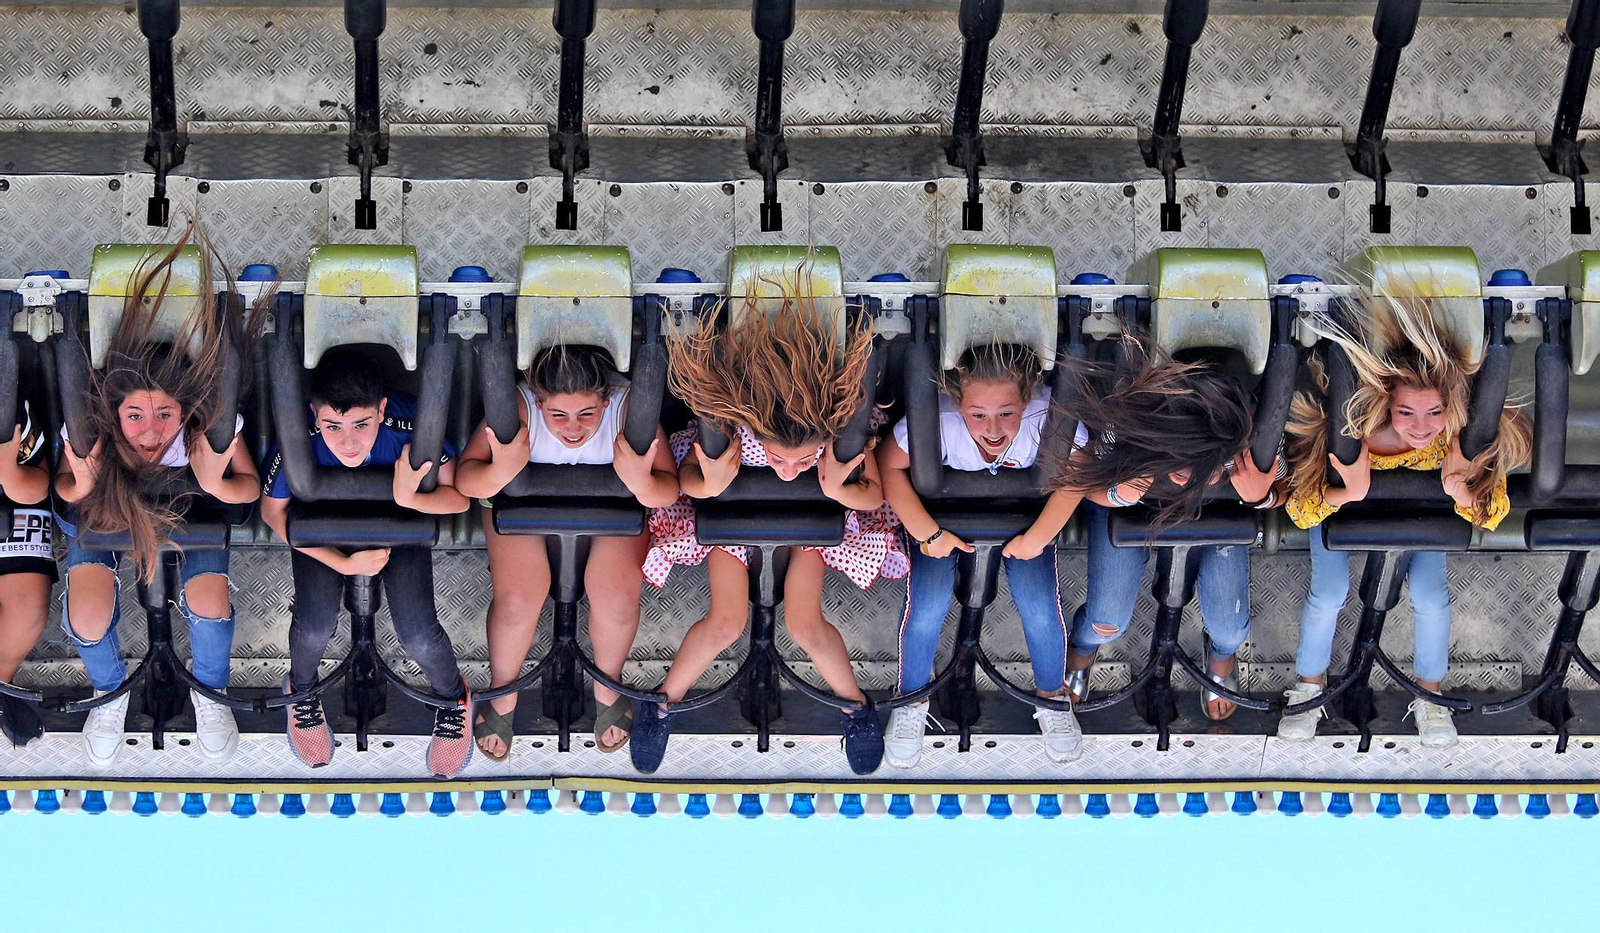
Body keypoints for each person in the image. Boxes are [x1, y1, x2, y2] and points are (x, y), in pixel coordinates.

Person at [631, 289, 906, 775]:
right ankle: (660, 705)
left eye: (801, 459)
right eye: (777, 458)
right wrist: (710, 479)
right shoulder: (741, 430)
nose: (786, 470)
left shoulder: (832, 441)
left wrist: (839, 485)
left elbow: (874, 496)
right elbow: (687, 485)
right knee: (726, 623)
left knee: (805, 624)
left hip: (808, 529)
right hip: (735, 525)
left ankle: (855, 707)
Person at [1275, 294, 1530, 747]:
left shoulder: (1452, 436)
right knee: (1329, 590)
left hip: (1417, 513)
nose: (1421, 426)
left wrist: (1460, 489)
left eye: (1433, 412)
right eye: (1407, 412)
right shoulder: (1356, 432)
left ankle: (1430, 698)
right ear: (1387, 406)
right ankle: (1309, 689)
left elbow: (1492, 515)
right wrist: (1349, 490)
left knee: (1431, 595)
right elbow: (1300, 507)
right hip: (1343, 509)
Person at [54, 236, 260, 766]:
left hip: (193, 517)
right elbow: (66, 493)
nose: (150, 432)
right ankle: (110, 693)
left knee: (208, 604)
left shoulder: (206, 428)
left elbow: (247, 489)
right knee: (91, 613)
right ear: (116, 414)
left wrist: (213, 480)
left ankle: (210, 694)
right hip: (107, 516)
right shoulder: (93, 430)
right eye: (137, 418)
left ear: (183, 411)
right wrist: (85, 476)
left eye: (164, 416)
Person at [456, 345, 678, 761]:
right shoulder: (521, 409)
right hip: (522, 507)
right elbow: (467, 478)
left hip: (614, 508)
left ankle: (608, 684)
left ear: (605, 401)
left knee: (614, 599)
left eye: (586, 415)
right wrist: (500, 471)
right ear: (539, 403)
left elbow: (668, 487)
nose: (572, 428)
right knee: (519, 600)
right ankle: (503, 694)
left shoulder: (626, 409)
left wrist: (641, 483)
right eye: (557, 415)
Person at [260, 351, 476, 776]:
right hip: (322, 529)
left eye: (362, 424)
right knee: (316, 625)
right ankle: (301, 692)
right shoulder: (299, 435)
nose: (348, 442)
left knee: (418, 634)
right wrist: (341, 564)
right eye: (332, 427)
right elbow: (274, 514)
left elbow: (458, 497)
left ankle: (454, 700)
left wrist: (411, 497)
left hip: (399, 523)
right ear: (313, 415)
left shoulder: (409, 424)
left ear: (381, 410)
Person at [877, 342, 1085, 766]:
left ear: (1027, 401)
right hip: (943, 518)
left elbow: (1077, 478)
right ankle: (911, 701)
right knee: (928, 607)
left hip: (1023, 519)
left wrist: (1038, 538)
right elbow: (887, 465)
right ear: (958, 405)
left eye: (1006, 414)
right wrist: (927, 533)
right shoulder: (941, 421)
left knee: (1041, 607)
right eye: (979, 415)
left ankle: (1052, 699)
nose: (993, 429)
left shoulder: (1048, 419)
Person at [1052, 336, 1277, 720]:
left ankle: (1221, 653)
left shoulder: (1248, 438)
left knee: (1230, 629)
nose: (1182, 473)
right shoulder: (1128, 426)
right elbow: (1085, 485)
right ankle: (1084, 647)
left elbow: (1285, 490)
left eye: (1198, 464)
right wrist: (1119, 492)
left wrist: (1261, 496)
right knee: (1108, 620)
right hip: (1131, 507)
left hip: (1215, 514)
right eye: (1175, 458)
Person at [0, 401, 56, 746]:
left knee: (27, 613)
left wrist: (9, 475)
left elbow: (37, 485)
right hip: (13, 525)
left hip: (19, 497)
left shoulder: (8, 416)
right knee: (25, 615)